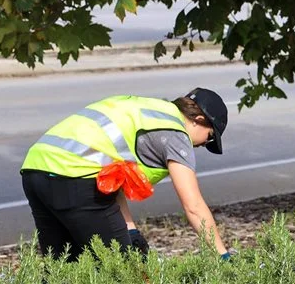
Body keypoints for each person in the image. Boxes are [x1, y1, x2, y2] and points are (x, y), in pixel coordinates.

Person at [20, 88, 232, 261]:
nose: (203, 145)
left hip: (36, 169)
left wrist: (130, 230)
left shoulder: (147, 110)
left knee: (63, 268)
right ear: (198, 119)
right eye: (210, 137)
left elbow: (112, 176)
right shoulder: (175, 133)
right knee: (124, 269)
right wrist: (222, 256)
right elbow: (193, 206)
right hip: (75, 176)